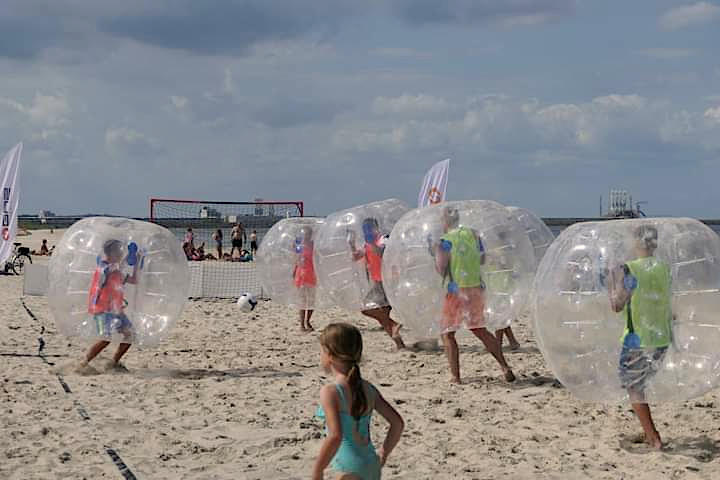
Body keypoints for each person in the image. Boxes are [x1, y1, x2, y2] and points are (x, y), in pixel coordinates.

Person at [434, 207, 515, 384]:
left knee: (447, 333)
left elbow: (441, 269)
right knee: (480, 329)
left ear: (445, 222)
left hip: (456, 290)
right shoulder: (473, 234)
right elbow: (482, 259)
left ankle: (455, 377)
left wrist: (434, 253)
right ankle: (504, 366)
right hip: (476, 288)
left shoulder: (444, 241)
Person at [609, 224, 672, 450]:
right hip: (662, 337)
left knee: (634, 387)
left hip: (637, 339)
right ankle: (649, 433)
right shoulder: (664, 267)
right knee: (640, 384)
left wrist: (611, 279)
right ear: (654, 243)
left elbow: (617, 304)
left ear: (636, 242)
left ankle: (652, 436)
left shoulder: (628, 268)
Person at [313, 323, 404, 480]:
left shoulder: (331, 391)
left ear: (329, 354)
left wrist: (318, 469)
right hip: (371, 463)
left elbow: (335, 436)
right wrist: (383, 453)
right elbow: (397, 423)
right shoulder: (368, 388)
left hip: (348, 467)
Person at [77, 239, 142, 372]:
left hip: (116, 310)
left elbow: (134, 280)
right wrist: (127, 259)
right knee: (105, 339)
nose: (121, 254)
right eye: (119, 251)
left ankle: (113, 362)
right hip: (102, 310)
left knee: (130, 335)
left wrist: (137, 262)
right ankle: (83, 363)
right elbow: (108, 271)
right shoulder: (103, 268)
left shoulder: (117, 271)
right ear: (110, 253)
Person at [350, 218, 405, 349]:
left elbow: (382, 253)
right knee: (377, 313)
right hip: (376, 282)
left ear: (376, 228)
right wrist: (351, 244)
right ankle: (398, 340)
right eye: (365, 229)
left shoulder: (383, 239)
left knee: (372, 310)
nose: (367, 231)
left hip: (387, 281)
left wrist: (371, 243)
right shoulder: (368, 243)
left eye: (369, 228)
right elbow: (356, 257)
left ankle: (395, 328)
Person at [293, 227, 317, 331]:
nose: (306, 236)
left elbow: (318, 258)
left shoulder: (313, 245)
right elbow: (297, 258)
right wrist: (294, 271)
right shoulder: (299, 245)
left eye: (308, 234)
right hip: (301, 275)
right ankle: (302, 324)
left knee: (311, 301)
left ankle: (307, 321)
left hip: (311, 274)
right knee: (303, 301)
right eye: (305, 234)